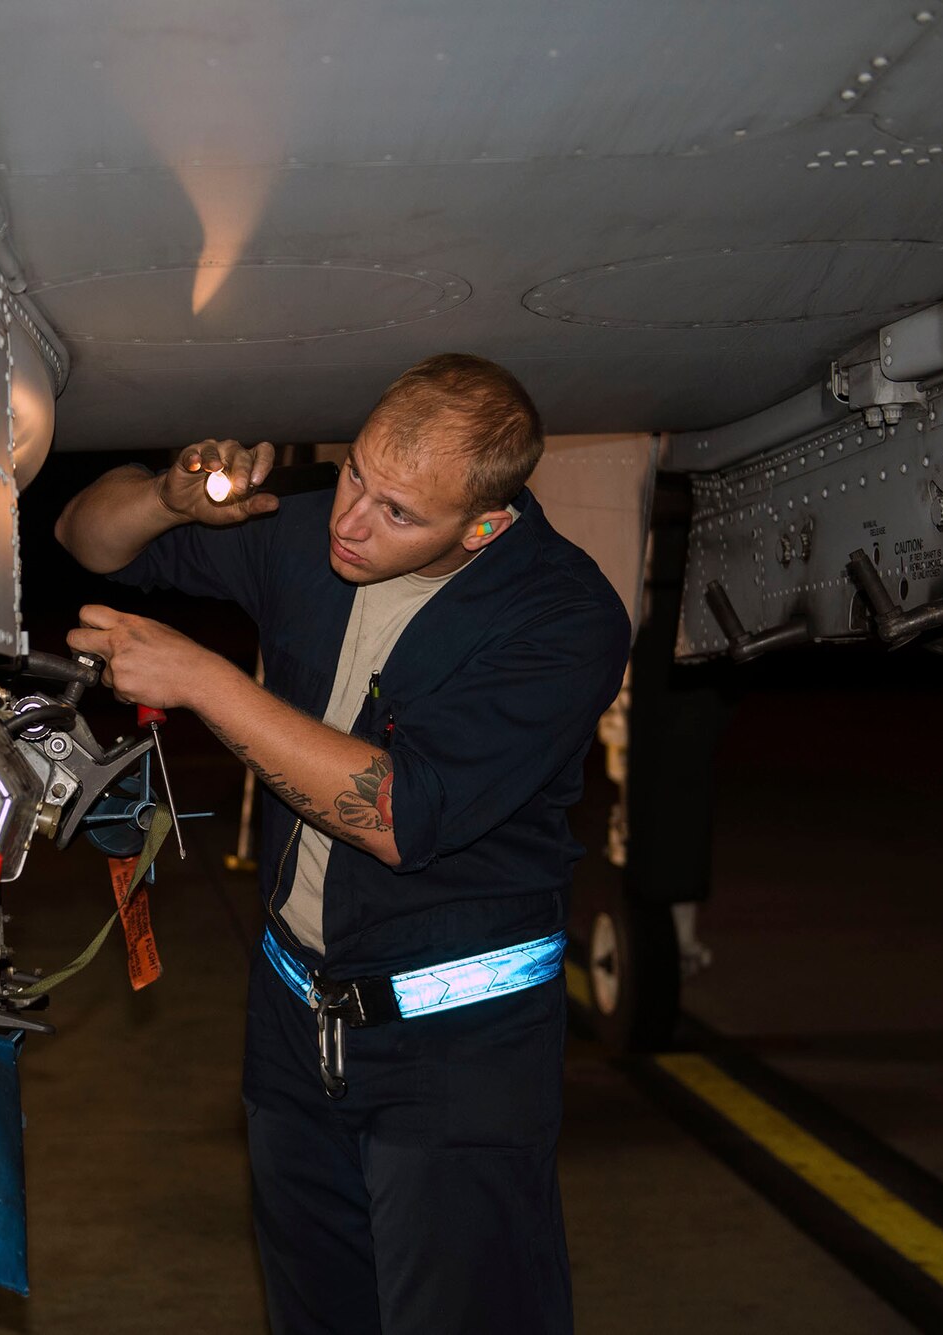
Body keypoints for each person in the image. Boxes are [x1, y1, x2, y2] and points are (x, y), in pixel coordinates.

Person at [55, 353, 630, 1335]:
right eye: (356, 473)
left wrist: (201, 678)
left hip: (454, 1053)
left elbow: (397, 818)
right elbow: (88, 540)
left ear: (481, 524)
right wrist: (167, 496)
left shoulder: (561, 618)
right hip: (292, 1025)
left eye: (399, 511)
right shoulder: (314, 539)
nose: (351, 520)